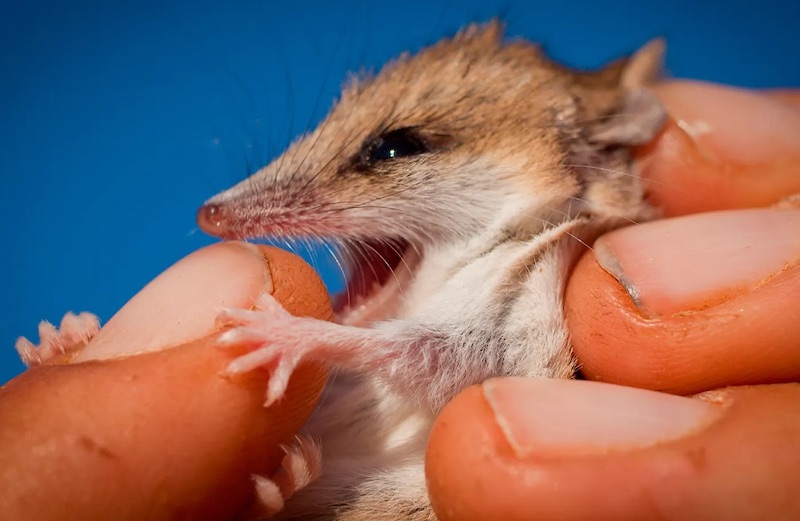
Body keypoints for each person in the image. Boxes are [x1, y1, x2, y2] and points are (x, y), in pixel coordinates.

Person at [2, 80, 798, 520]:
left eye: (393, 149)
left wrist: (323, 343)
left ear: (585, 156)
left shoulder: (559, 272)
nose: (227, 210)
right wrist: (98, 368)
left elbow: (467, 358)